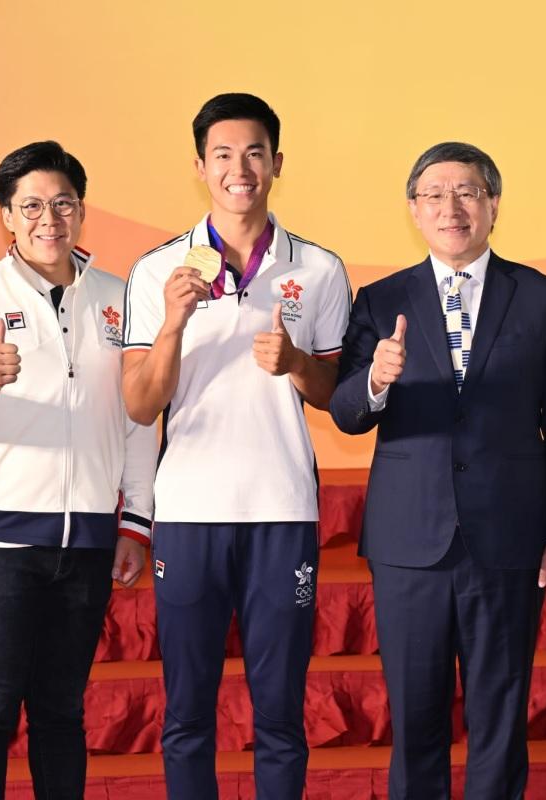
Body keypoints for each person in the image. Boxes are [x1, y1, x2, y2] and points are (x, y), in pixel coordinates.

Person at [330, 141, 546, 799]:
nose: (451, 207)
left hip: (508, 540)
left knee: (499, 716)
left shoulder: (543, 298)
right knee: (415, 717)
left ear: (493, 204)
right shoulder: (380, 299)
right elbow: (346, 412)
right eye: (435, 195)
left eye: (467, 192)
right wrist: (375, 382)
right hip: (409, 543)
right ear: (414, 209)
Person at [120, 93, 351, 799]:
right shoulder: (158, 270)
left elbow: (334, 395)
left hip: (282, 511)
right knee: (188, 715)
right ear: (200, 167)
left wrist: (296, 363)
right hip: (189, 513)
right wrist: (172, 323)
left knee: (280, 715)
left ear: (277, 162)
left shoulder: (319, 269)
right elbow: (139, 403)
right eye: (222, 154)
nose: (239, 168)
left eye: (254, 152)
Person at [0, 140, 156, 799]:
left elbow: (138, 417)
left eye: (63, 203)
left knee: (61, 713)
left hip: (87, 543)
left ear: (81, 209)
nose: (49, 219)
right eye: (31, 206)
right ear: (6, 215)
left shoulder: (119, 297)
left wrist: (135, 522)